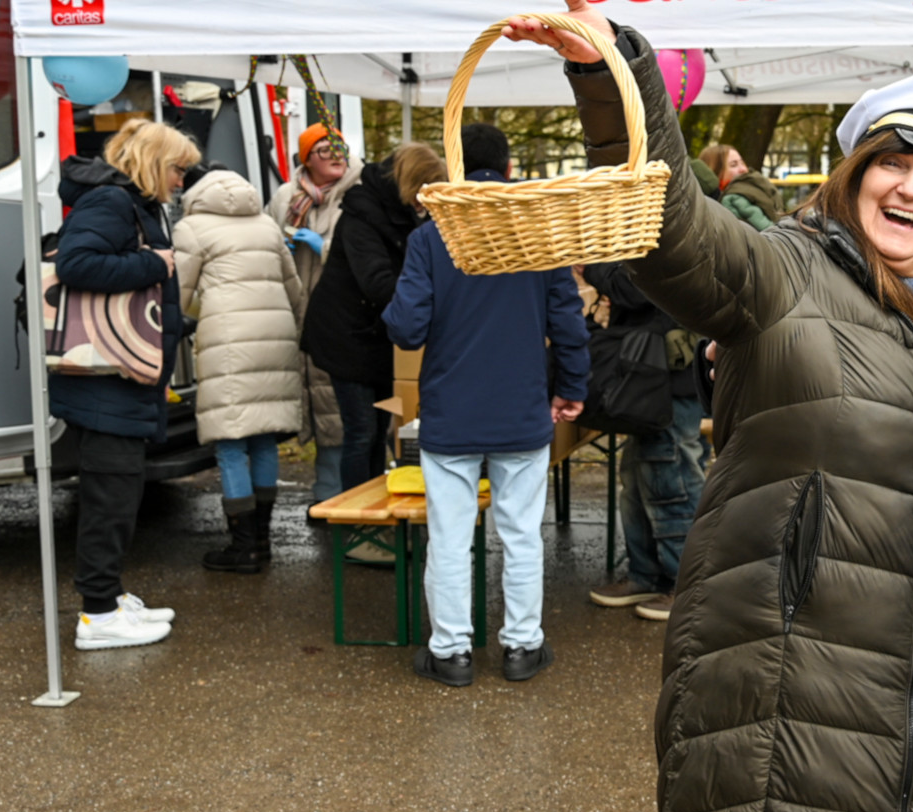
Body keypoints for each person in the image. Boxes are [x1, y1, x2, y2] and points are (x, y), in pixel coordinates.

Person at [507, 0, 913, 812]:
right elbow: (674, 230)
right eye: (893, 163)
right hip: (782, 699)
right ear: (853, 178)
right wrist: (615, 77)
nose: (911, 190)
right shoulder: (786, 272)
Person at [383, 122, 589, 685]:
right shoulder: (537, 235)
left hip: (450, 413)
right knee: (522, 535)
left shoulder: (431, 238)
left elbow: (405, 329)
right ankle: (523, 648)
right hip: (522, 411)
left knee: (449, 540)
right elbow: (568, 325)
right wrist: (571, 388)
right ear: (507, 169)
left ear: (455, 166)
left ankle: (450, 654)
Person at [49, 118, 198, 650]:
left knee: (119, 492)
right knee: (110, 496)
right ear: (156, 162)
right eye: (180, 168)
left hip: (119, 375)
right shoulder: (111, 203)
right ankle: (97, 613)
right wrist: (151, 262)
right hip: (107, 377)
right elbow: (76, 264)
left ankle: (109, 597)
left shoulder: (128, 203)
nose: (183, 179)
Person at [303, 141, 446, 521]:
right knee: (361, 430)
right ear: (412, 184)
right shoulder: (362, 215)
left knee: (380, 427)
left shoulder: (401, 214)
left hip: (377, 337)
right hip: (345, 336)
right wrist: (431, 301)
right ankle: (354, 520)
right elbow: (378, 282)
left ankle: (373, 513)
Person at [174, 169, 305, 574]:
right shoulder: (266, 224)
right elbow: (294, 287)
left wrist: (198, 314)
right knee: (264, 438)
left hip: (228, 340)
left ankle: (243, 546)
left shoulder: (191, 229)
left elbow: (177, 296)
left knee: (232, 443)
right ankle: (262, 541)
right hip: (276, 333)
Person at [580, 260, 707, 622]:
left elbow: (637, 285)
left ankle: (687, 586)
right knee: (639, 480)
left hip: (668, 378)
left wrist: (590, 267)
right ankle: (646, 575)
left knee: (673, 480)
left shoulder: (664, 224)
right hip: (656, 376)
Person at [267, 124, 363, 513]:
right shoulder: (285, 198)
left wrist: (322, 247)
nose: (335, 155)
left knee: (341, 411)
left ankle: (341, 495)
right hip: (299, 314)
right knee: (316, 405)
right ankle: (326, 492)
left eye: (339, 147)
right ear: (306, 158)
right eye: (324, 150)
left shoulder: (357, 195)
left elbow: (361, 256)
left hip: (342, 318)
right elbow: (270, 245)